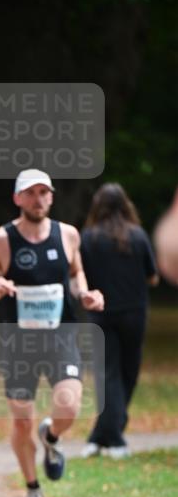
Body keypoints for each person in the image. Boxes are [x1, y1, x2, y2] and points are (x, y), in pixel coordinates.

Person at [0, 169, 104, 497]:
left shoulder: (68, 235)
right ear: (18, 199)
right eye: (30, 193)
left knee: (69, 406)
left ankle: (52, 437)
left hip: (61, 336)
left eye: (44, 192)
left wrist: (85, 294)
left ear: (52, 197)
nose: (38, 199)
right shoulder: (1, 240)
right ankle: (33, 490)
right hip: (18, 343)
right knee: (20, 422)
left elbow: (75, 273)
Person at [80, 183, 158, 458]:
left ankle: (100, 436)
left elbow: (81, 278)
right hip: (135, 313)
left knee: (108, 374)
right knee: (128, 373)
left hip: (101, 314)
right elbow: (153, 276)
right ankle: (113, 440)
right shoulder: (138, 236)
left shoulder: (88, 238)